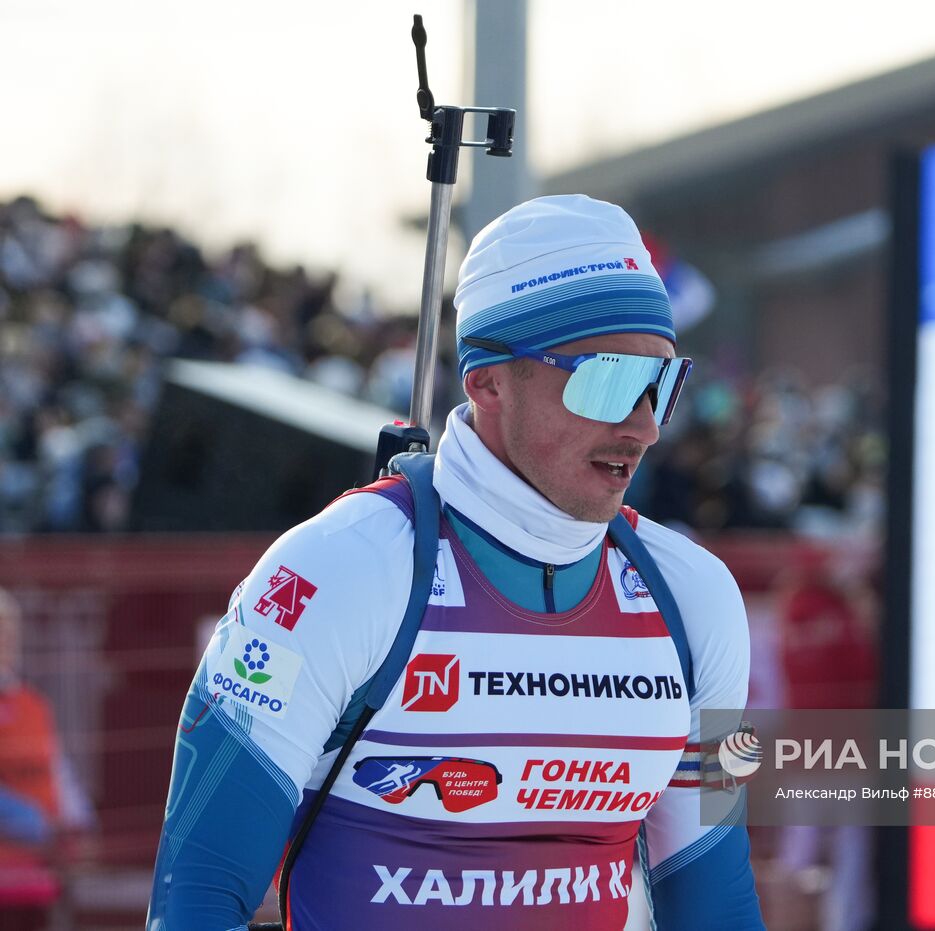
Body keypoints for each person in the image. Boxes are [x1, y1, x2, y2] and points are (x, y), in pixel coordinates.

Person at [146, 195, 763, 930]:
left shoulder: (693, 595)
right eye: (608, 381)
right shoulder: (340, 568)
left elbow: (715, 897)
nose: (642, 426)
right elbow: (196, 894)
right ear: (488, 381)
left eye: (662, 383)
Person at [0, 589, 92, 931]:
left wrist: (79, 820)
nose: (5, 641)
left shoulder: (33, 704)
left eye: (10, 631)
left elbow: (59, 770)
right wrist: (37, 824)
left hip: (40, 878)